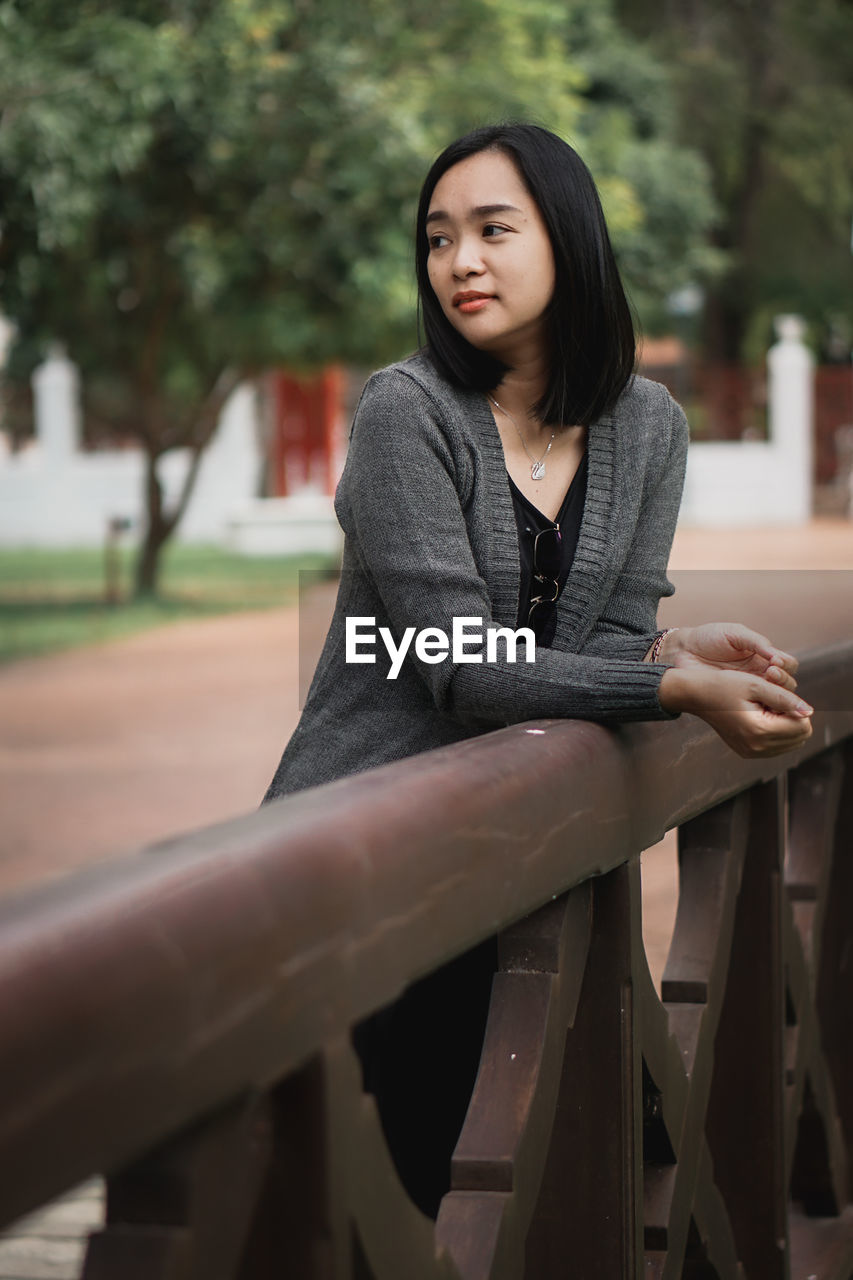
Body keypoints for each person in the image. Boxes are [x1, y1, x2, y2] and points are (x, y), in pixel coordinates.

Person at [263, 123, 813, 1215]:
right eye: (437, 238)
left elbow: (596, 646)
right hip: (366, 855)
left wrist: (661, 649)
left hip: (518, 855)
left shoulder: (648, 426)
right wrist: (668, 687)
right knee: (379, 1205)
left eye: (492, 229)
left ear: (567, 239)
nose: (459, 260)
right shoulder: (404, 414)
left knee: (582, 1175)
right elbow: (462, 669)